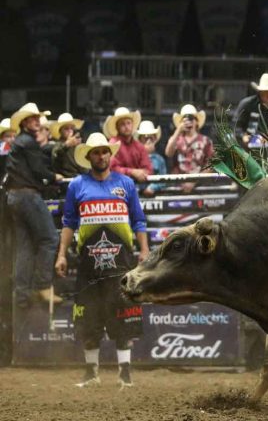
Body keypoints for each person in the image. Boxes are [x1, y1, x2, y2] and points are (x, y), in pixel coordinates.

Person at [54, 132, 148, 389]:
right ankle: (91, 372)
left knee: (123, 313)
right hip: (88, 263)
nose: (101, 156)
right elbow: (68, 222)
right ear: (89, 156)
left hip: (122, 261)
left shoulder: (125, 183)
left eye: (105, 151)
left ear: (110, 154)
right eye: (96, 152)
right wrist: (61, 254)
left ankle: (125, 373)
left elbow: (138, 219)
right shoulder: (77, 185)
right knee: (88, 318)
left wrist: (144, 250)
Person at [5, 103, 64, 307]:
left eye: (37, 118)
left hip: (15, 196)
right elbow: (38, 169)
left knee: (25, 246)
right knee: (49, 238)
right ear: (24, 122)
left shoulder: (19, 142)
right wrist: (54, 177)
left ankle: (21, 294)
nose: (37, 121)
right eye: (33, 119)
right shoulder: (28, 142)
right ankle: (43, 286)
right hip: (27, 195)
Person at [233, 73, 268, 151]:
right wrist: (243, 136)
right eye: (266, 92)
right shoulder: (247, 104)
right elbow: (235, 127)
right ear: (260, 92)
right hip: (246, 150)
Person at [165, 104, 214, 193]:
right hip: (178, 187)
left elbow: (211, 165)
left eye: (191, 118)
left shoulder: (206, 141)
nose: (188, 122)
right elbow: (168, 153)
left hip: (199, 188)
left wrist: (194, 181)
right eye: (184, 119)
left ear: (197, 122)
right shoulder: (176, 139)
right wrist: (178, 130)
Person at [103, 107, 152, 183]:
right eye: (122, 124)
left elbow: (148, 169)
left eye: (128, 123)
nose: (126, 126)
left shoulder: (139, 146)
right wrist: (132, 172)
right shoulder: (113, 145)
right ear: (117, 127)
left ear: (132, 125)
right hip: (117, 185)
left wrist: (141, 173)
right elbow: (111, 168)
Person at [136, 120, 166, 197]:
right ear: (140, 140)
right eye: (145, 138)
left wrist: (152, 187)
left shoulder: (159, 159)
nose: (148, 141)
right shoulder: (134, 158)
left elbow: (164, 180)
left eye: (151, 138)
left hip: (157, 196)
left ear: (155, 140)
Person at [50, 112, 85, 178]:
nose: (70, 131)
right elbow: (57, 154)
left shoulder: (76, 144)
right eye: (66, 128)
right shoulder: (58, 145)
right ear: (60, 131)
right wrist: (67, 145)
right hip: (65, 180)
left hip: (79, 178)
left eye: (71, 128)